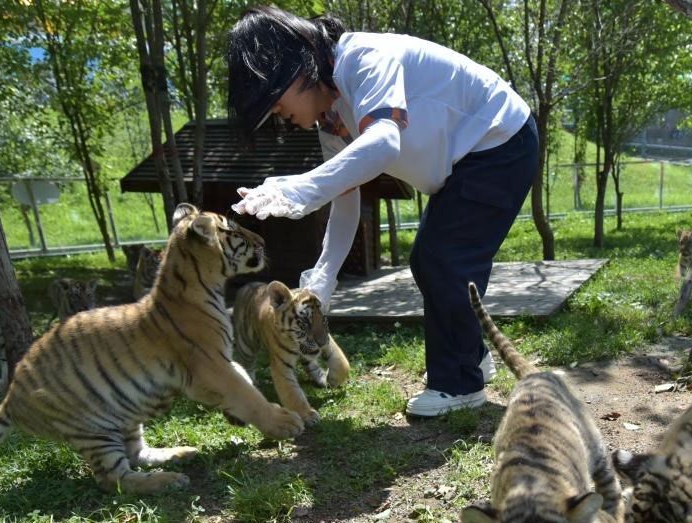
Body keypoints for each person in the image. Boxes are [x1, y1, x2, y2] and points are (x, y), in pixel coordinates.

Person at [227, 6, 538, 417]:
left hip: (500, 141)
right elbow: (345, 197)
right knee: (433, 259)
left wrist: (300, 188)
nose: (278, 116)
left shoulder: (363, 59)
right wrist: (323, 278)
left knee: (442, 258)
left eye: (273, 102)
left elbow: (383, 142)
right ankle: (472, 360)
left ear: (293, 70)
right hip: (469, 161)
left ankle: (460, 385)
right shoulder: (331, 117)